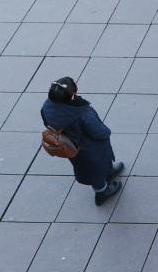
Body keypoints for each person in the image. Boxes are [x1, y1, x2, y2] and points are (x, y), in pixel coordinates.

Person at [40, 76, 127, 204]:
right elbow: (98, 131)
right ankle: (101, 192)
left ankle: (108, 172)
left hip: (73, 147)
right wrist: (107, 132)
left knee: (92, 167)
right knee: (96, 170)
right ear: (74, 93)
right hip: (91, 148)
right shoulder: (82, 113)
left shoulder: (47, 107)